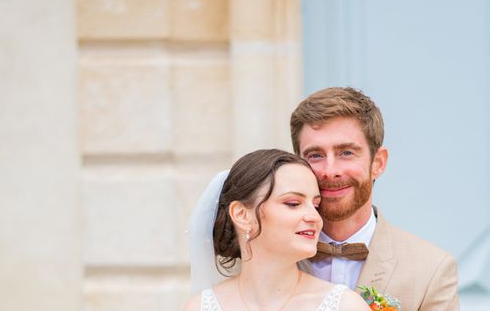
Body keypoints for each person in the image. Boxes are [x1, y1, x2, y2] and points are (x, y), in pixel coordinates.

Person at [290, 87, 460, 310]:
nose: (330, 171)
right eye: (315, 155)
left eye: (346, 153)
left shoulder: (432, 271)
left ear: (378, 163)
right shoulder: (260, 257)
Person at [183, 148, 370, 311]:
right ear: (241, 215)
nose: (314, 217)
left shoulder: (345, 306)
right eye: (293, 203)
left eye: (315, 205)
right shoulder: (200, 307)